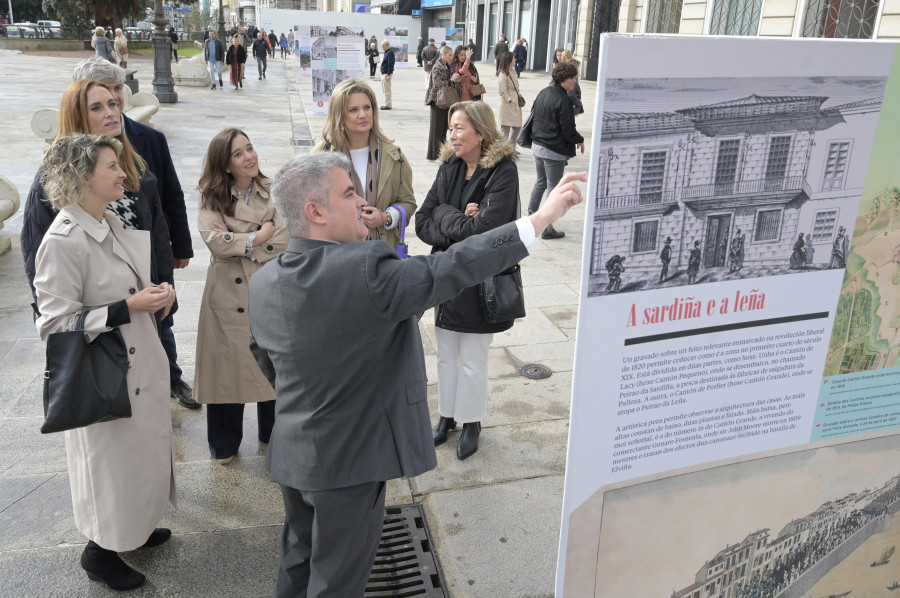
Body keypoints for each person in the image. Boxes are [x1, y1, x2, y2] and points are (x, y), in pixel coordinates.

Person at [248, 150, 586, 598]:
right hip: (350, 464)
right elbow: (453, 266)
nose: (360, 202)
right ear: (316, 212)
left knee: (298, 560)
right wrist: (539, 220)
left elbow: (266, 357)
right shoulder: (364, 268)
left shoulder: (265, 281)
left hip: (295, 453)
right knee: (337, 582)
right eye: (348, 193)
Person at [34, 132, 176, 592]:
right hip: (105, 373)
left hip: (136, 361)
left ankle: (133, 527)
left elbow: (131, 282)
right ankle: (100, 551)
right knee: (110, 468)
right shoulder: (62, 240)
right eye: (112, 166)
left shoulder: (108, 218)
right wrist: (127, 308)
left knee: (140, 459)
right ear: (82, 177)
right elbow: (54, 326)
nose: (122, 172)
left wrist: (157, 295)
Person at [61, 57, 197, 408]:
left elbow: (168, 198)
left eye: (117, 92)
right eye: (100, 100)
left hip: (147, 267)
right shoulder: (60, 176)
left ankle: (170, 379)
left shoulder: (148, 141)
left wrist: (176, 257)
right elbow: (45, 254)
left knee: (160, 329)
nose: (114, 104)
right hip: (99, 293)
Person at [415, 101, 519, 460]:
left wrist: (447, 218)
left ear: (480, 131)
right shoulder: (449, 166)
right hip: (446, 275)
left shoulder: (503, 172)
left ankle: (471, 421)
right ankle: (446, 416)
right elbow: (423, 220)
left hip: (481, 280)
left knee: (473, 357)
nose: (452, 135)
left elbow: (485, 234)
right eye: (451, 128)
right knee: (445, 355)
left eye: (459, 128)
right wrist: (455, 216)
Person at [195, 128, 289, 464]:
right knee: (226, 369)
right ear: (224, 165)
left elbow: (284, 237)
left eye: (250, 148)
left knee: (271, 364)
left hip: (266, 288)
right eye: (238, 153)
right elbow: (213, 242)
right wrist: (257, 236)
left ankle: (272, 434)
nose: (249, 157)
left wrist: (240, 239)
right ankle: (224, 443)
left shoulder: (273, 190)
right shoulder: (211, 197)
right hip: (226, 294)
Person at [312, 79, 416, 249]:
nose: (363, 115)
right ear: (339, 115)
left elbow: (408, 202)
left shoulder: (393, 155)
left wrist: (386, 218)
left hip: (382, 254)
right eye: (353, 110)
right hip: (336, 254)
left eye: (367, 107)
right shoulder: (321, 155)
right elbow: (309, 206)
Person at [527, 61, 585, 240]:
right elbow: (567, 130)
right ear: (564, 79)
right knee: (553, 188)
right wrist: (580, 140)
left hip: (538, 146)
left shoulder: (544, 91)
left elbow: (534, 114)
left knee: (541, 182)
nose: (575, 81)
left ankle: (531, 216)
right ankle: (546, 227)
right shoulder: (564, 99)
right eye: (573, 77)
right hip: (553, 150)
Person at [424, 46, 454, 161]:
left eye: (452, 55)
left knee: (442, 129)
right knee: (436, 129)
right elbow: (437, 84)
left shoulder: (446, 65)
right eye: (450, 55)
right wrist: (451, 81)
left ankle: (441, 153)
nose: (451, 57)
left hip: (444, 100)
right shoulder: (438, 66)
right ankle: (433, 155)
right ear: (444, 54)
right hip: (437, 101)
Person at [497, 51, 522, 142]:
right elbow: (502, 90)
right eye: (513, 58)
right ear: (509, 60)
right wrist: (510, 100)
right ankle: (504, 150)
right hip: (507, 104)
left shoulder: (513, 70)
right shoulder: (503, 74)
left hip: (515, 101)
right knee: (505, 128)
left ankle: (511, 147)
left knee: (517, 126)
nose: (515, 59)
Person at [559, 50, 584, 116]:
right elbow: (571, 94)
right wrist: (578, 105)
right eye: (578, 68)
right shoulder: (571, 83)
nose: (578, 70)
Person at [380, 40, 395, 110]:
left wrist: (389, 74)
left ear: (387, 45)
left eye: (383, 46)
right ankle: (387, 104)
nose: (382, 47)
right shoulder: (387, 52)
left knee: (387, 90)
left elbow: (390, 64)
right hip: (384, 73)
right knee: (385, 90)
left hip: (386, 74)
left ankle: (388, 105)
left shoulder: (390, 53)